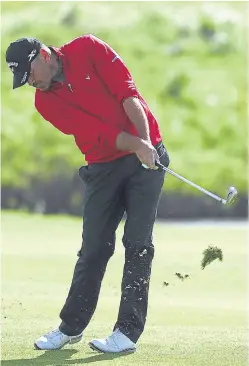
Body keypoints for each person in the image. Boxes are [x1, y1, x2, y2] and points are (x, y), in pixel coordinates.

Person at [5, 35, 170, 353]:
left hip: (146, 157)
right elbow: (99, 133)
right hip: (104, 166)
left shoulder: (88, 48)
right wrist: (136, 145)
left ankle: (126, 333)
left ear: (43, 55)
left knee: (138, 245)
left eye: (31, 74)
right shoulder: (45, 102)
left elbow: (127, 93)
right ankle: (71, 327)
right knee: (93, 248)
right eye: (23, 80)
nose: (31, 83)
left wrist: (145, 142)